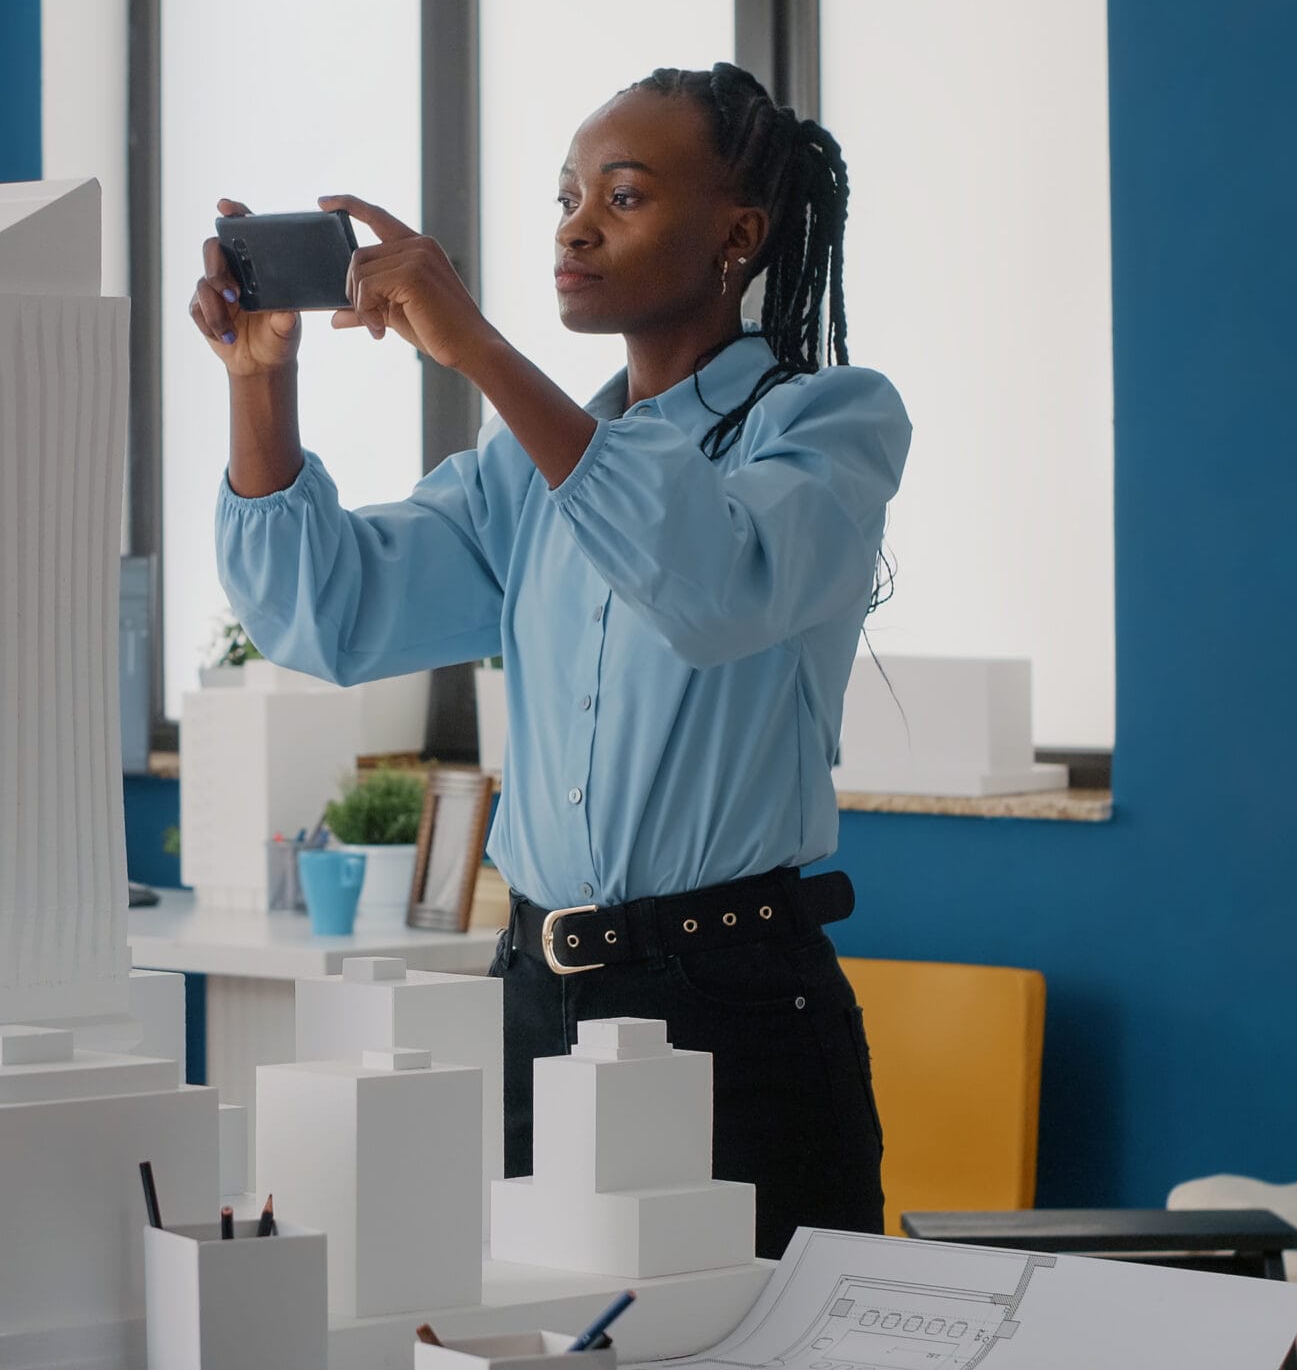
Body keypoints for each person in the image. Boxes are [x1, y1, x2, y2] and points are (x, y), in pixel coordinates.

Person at [194, 62, 911, 1253]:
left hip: (733, 1003)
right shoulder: (518, 478)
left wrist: (476, 347)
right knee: (545, 1329)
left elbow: (713, 588)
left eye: (623, 198)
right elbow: (325, 614)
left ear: (738, 235)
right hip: (532, 996)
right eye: (568, 194)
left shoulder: (826, 422)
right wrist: (259, 385)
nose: (577, 224)